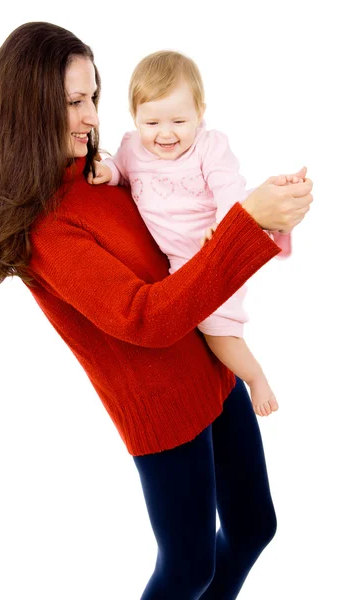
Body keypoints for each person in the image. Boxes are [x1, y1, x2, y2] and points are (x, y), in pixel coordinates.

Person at [0, 22, 313, 599]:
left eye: (93, 95)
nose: (92, 115)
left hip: (214, 374)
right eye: (73, 101)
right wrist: (247, 223)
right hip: (163, 413)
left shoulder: (101, 170)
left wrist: (261, 212)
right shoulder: (47, 228)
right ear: (26, 109)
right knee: (189, 568)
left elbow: (181, 225)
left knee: (254, 529)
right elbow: (145, 318)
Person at [88, 49, 306, 418]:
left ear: (200, 113)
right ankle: (272, 220)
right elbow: (119, 168)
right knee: (210, 324)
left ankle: (254, 378)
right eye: (152, 123)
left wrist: (223, 230)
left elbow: (226, 189)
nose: (165, 134)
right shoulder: (131, 148)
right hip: (184, 258)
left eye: (178, 120)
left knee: (216, 324)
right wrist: (107, 172)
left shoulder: (209, 146)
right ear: (134, 117)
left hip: (214, 241)